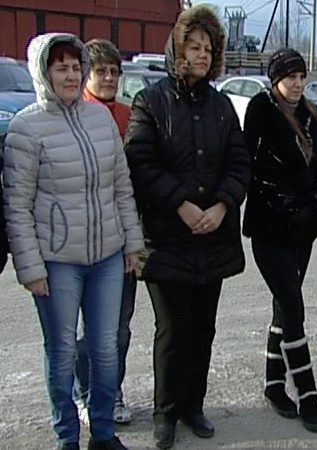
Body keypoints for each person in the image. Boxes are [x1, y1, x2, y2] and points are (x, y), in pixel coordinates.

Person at [3, 32, 144, 450]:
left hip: (107, 256)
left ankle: (102, 433)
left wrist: (131, 242)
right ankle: (67, 437)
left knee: (105, 349)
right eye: (60, 67)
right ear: (42, 73)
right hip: (57, 261)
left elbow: (121, 186)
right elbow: (17, 206)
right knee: (63, 351)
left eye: (74, 66)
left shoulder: (100, 119)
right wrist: (30, 268)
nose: (69, 74)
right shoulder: (26, 127)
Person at [124, 5, 250, 449]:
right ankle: (166, 413)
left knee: (203, 329)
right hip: (167, 237)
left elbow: (239, 162)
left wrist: (222, 205)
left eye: (208, 48)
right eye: (193, 46)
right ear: (177, 49)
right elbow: (140, 162)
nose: (201, 54)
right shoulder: (150, 101)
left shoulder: (222, 106)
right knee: (173, 332)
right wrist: (180, 204)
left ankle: (194, 406)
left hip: (213, 235)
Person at [242, 48, 317, 432]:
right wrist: (285, 202)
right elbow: (251, 167)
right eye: (290, 77)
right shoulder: (261, 110)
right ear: (275, 80)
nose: (297, 84)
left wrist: (314, 203)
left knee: (284, 306)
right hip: (270, 227)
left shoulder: (311, 115)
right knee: (293, 306)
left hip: (302, 229)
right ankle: (307, 393)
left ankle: (274, 385)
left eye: (301, 76)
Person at [74, 38, 136, 426]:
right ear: (86, 75)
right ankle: (86, 393)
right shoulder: (73, 115)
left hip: (123, 239)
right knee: (86, 330)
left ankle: (112, 391)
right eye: (101, 71)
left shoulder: (130, 116)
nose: (109, 78)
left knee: (119, 328)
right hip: (80, 242)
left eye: (115, 71)